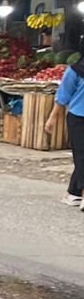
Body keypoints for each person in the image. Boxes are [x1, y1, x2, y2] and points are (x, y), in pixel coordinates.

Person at [44, 55, 84, 208]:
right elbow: (63, 96)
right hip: (78, 118)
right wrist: (52, 118)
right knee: (81, 156)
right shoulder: (74, 71)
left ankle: (73, 193)